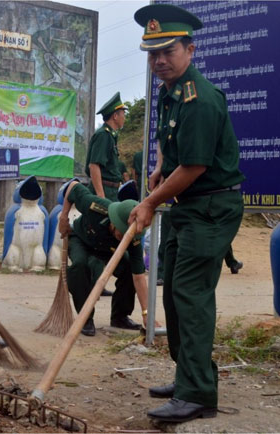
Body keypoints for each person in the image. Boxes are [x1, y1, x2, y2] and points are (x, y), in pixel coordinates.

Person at [129, 5, 245, 423]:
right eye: (152, 53)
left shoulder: (201, 98)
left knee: (192, 297)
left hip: (211, 207)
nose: (159, 60)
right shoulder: (170, 91)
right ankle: (187, 378)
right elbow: (173, 145)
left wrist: (149, 200)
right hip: (187, 206)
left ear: (190, 50)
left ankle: (197, 395)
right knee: (174, 294)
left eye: (168, 51)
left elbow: (195, 167)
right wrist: (161, 164)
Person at [58, 181, 154, 337]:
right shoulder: (96, 206)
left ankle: (120, 316)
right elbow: (73, 186)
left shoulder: (132, 239)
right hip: (82, 239)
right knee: (80, 266)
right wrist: (63, 217)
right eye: (122, 233)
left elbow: (139, 277)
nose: (125, 237)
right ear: (114, 222)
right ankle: (85, 318)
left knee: (130, 267)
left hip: (109, 250)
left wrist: (146, 313)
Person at [85, 92, 128, 201]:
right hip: (104, 190)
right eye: (123, 114)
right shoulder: (103, 135)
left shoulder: (110, 135)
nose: (124, 117)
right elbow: (94, 166)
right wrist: (101, 196)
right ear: (115, 116)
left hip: (111, 191)